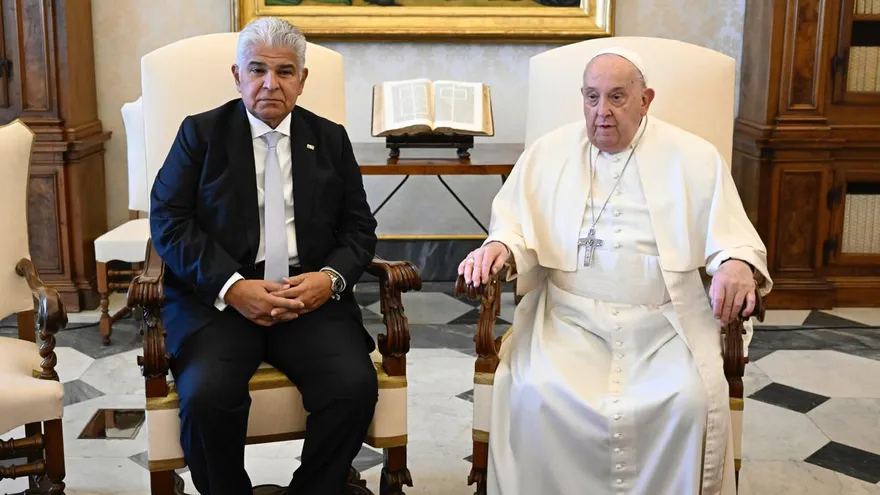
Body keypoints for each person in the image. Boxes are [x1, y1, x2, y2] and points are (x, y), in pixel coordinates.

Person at [458, 47, 772, 495]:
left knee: (688, 399)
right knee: (535, 391)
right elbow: (515, 227)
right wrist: (498, 246)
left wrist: (736, 263)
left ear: (646, 100)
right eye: (592, 97)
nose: (601, 111)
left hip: (663, 323)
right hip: (566, 320)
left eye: (617, 97)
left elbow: (732, 237)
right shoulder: (548, 153)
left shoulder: (694, 157)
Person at [149, 17, 378, 495]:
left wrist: (330, 279)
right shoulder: (200, 134)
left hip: (306, 295)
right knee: (207, 396)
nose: (270, 83)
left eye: (285, 71)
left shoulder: (330, 139)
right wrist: (232, 287)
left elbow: (359, 228)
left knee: (353, 387)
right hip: (220, 300)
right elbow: (169, 222)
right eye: (257, 70)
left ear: (302, 79)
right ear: (238, 76)